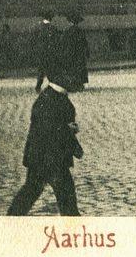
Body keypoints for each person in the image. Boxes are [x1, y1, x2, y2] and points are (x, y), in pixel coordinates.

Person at [7, 64, 83, 216]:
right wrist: (69, 132)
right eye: (70, 76)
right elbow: (50, 130)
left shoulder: (51, 97)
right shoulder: (51, 99)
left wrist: (70, 132)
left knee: (30, 193)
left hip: (43, 158)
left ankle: (9, 221)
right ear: (61, 78)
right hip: (50, 159)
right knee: (67, 203)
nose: (75, 79)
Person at [33, 13, 62, 92]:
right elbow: (56, 41)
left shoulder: (38, 27)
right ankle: (52, 86)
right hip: (50, 52)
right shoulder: (52, 28)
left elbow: (33, 40)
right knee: (51, 70)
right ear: (51, 18)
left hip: (40, 52)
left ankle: (38, 86)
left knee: (41, 70)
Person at [63, 12, 89, 92]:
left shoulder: (67, 31)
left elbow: (64, 44)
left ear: (70, 22)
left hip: (70, 53)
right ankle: (80, 84)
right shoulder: (81, 31)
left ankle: (72, 84)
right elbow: (85, 43)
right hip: (79, 54)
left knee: (71, 69)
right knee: (79, 69)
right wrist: (87, 53)